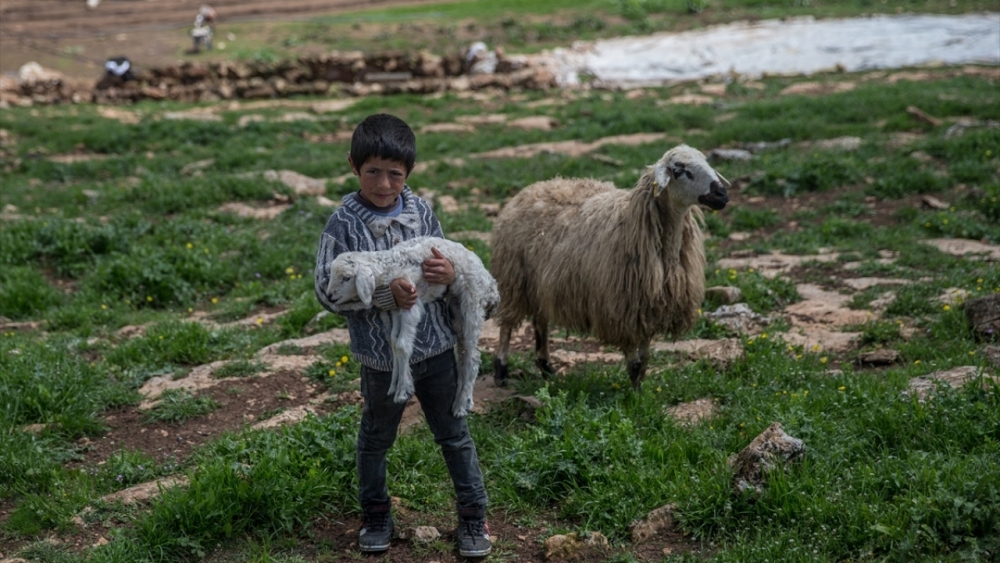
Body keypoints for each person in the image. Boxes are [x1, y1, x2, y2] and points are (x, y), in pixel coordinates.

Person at [314, 113, 492, 558]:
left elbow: (445, 263)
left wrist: (449, 275)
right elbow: (327, 290)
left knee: (454, 433)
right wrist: (384, 294)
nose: (384, 183)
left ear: (408, 173)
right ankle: (376, 513)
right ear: (354, 165)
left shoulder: (421, 212)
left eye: (395, 173)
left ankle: (474, 516)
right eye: (373, 171)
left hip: (435, 347)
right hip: (380, 357)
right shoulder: (343, 225)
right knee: (376, 437)